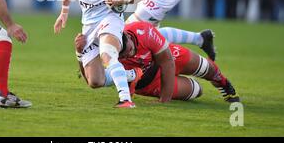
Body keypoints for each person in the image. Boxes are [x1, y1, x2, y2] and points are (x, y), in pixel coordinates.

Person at [75, 21, 240, 103]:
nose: (130, 54)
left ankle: (224, 83)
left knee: (206, 68)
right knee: (197, 91)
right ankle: (199, 40)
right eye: (124, 55)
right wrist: (80, 55)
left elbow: (167, 61)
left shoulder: (142, 30)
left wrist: (165, 100)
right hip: (148, 83)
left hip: (165, 58)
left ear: (128, 37)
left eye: (130, 49)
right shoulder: (110, 55)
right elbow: (93, 80)